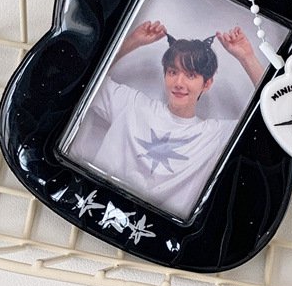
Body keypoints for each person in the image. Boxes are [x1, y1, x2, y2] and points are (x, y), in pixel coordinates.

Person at [81, 19, 267, 219]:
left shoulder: (215, 135)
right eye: (173, 72)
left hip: (156, 230)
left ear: (207, 83)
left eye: (191, 75)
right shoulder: (132, 105)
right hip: (92, 209)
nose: (179, 82)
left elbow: (275, 120)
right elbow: (84, 76)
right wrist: (132, 41)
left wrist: (247, 58)